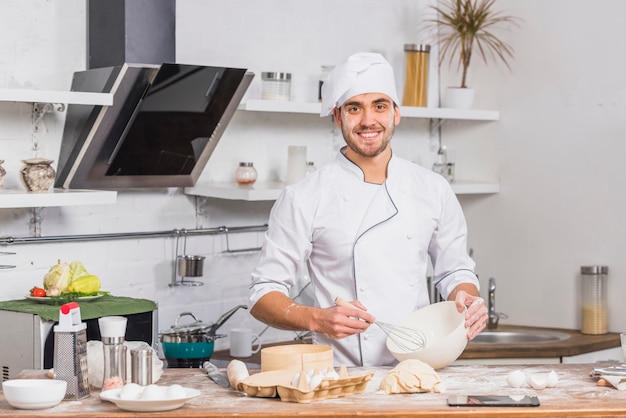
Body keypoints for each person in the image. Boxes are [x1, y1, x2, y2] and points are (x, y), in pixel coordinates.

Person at [249, 52, 487, 367]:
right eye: (354, 108)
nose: (368, 121)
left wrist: (465, 296)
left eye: (379, 106)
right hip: (342, 378)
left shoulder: (433, 188)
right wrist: (317, 319)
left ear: (396, 114)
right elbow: (263, 293)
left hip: (421, 367)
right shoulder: (304, 196)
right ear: (337, 117)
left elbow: (454, 270)